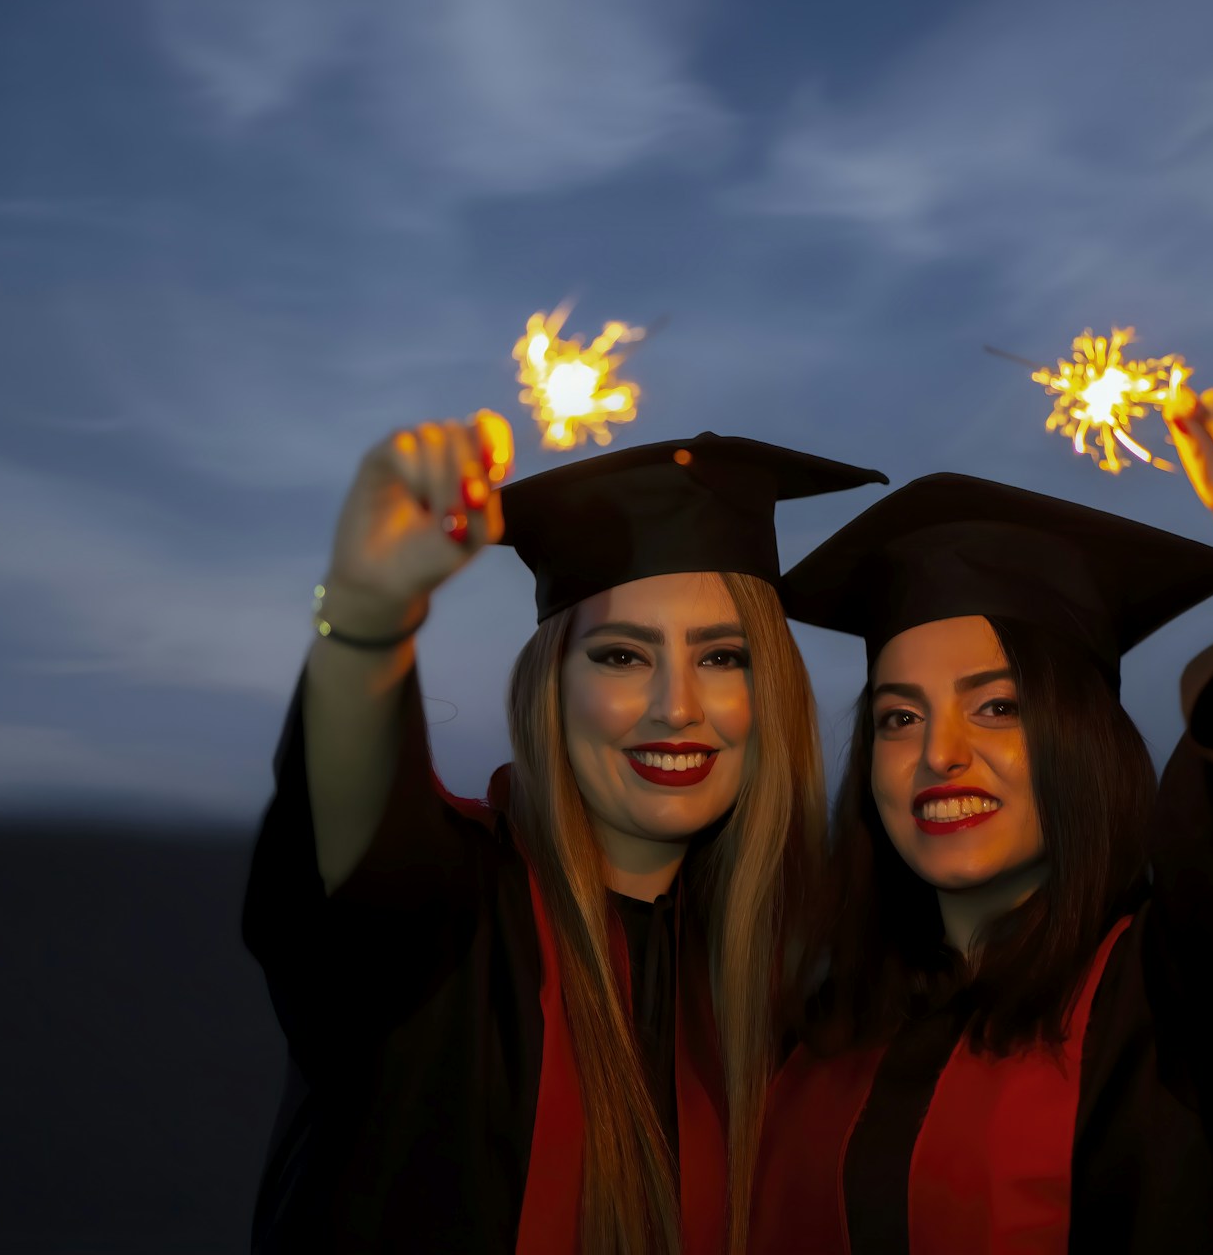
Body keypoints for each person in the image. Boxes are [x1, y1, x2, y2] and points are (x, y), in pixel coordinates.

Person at [242, 421, 885, 1254]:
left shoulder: (799, 979)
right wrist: (367, 621)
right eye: (622, 657)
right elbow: (351, 849)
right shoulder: (450, 920)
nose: (677, 708)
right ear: (553, 687)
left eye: (724, 658)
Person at [753, 390, 1213, 1253]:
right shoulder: (818, 1027)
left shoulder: (1183, 1004)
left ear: (1080, 740)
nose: (938, 755)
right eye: (898, 717)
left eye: (995, 707)